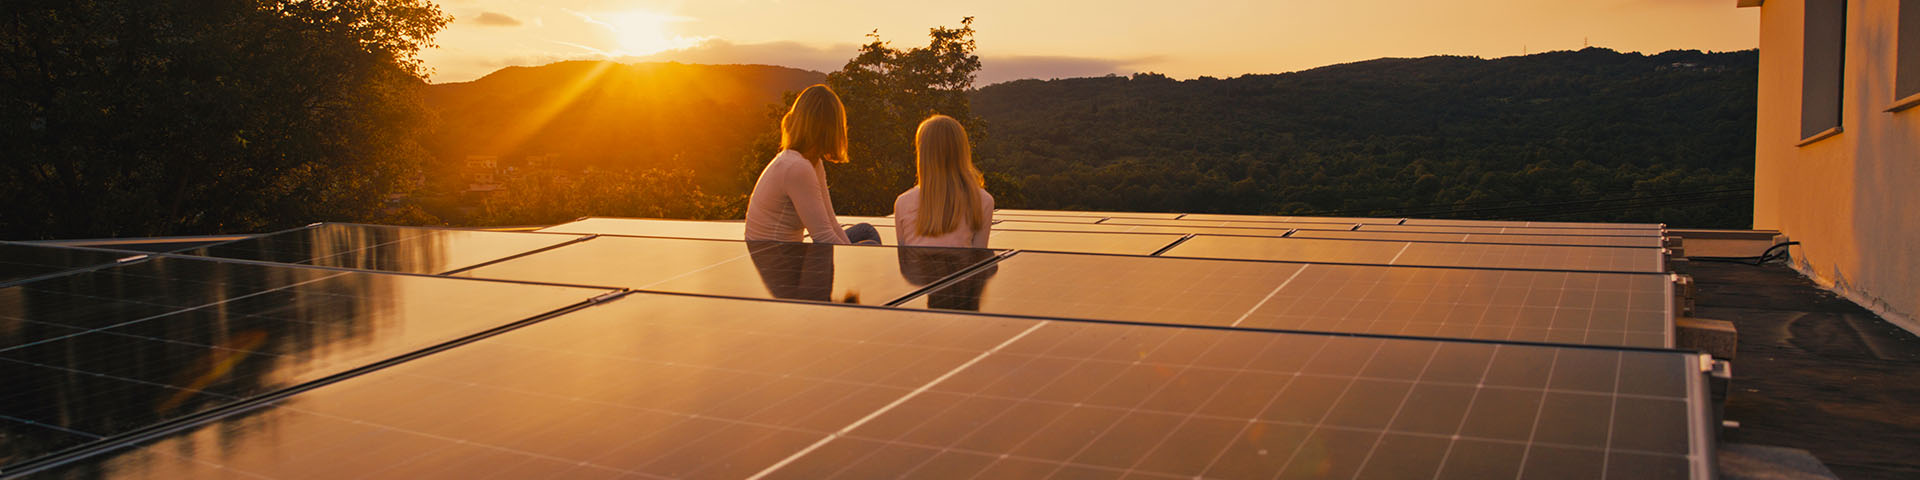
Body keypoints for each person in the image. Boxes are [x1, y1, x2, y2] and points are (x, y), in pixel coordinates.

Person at [745, 84, 880, 244]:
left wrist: (850, 250)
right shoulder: (797, 167)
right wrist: (851, 257)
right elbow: (823, 237)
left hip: (790, 254)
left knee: (866, 231)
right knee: (870, 244)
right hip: (779, 261)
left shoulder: (811, 162)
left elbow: (831, 223)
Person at [893, 115, 993, 248]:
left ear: (923, 154)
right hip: (962, 268)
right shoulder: (983, 200)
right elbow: (979, 259)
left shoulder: (902, 202)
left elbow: (905, 260)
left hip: (917, 269)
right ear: (962, 151)